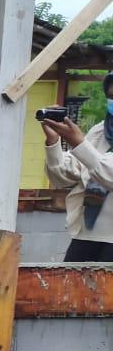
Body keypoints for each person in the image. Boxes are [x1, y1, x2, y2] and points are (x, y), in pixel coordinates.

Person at [42, 72, 113, 261]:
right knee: (70, 289)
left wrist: (79, 143)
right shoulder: (101, 131)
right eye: (111, 96)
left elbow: (109, 175)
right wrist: (53, 142)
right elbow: (65, 176)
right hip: (87, 236)